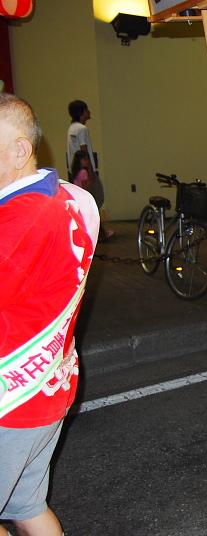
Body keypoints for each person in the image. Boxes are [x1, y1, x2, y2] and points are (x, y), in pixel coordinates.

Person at [1, 94, 99, 536]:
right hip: (51, 383)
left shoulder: (19, 219)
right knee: (27, 507)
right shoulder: (72, 200)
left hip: (13, 397)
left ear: (21, 150)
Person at [66, 99, 112, 240]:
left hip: (75, 171)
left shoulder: (71, 128)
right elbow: (84, 149)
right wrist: (91, 173)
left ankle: (97, 232)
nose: (89, 112)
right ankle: (98, 233)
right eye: (87, 110)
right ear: (82, 112)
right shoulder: (82, 129)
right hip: (85, 171)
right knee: (96, 198)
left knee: (84, 202)